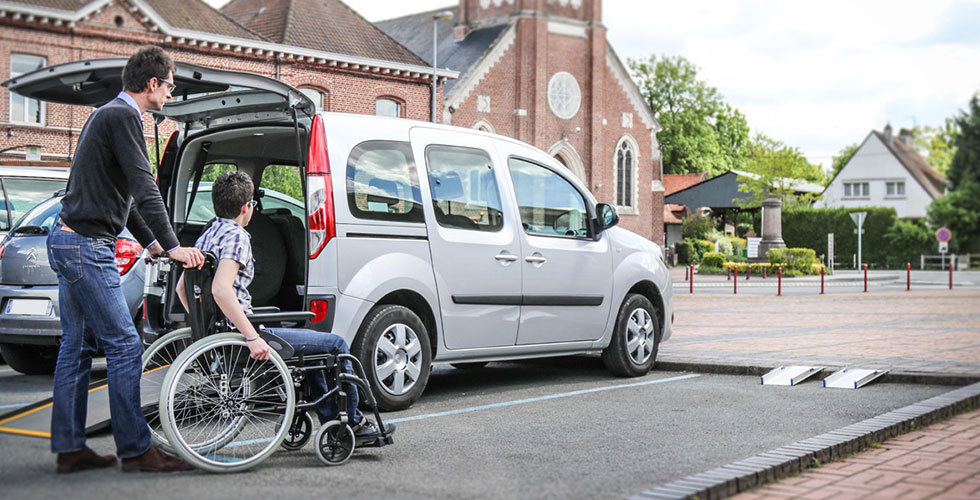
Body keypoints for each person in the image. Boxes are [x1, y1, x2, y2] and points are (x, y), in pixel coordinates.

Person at [48, 46, 204, 474]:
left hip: (67, 241)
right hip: (86, 247)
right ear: (152, 84)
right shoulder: (124, 117)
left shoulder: (106, 115)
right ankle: (137, 451)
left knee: (75, 348)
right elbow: (144, 184)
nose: (171, 94)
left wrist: (150, 242)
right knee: (124, 344)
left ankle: (69, 448)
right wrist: (173, 245)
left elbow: (126, 196)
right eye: (170, 86)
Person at [175, 171, 392, 441]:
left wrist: (204, 325)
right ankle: (352, 425)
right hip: (243, 333)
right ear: (246, 207)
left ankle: (332, 419)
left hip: (224, 332)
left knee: (314, 344)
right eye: (252, 204)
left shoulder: (207, 235)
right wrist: (251, 337)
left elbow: (182, 289)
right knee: (335, 345)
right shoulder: (237, 236)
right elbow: (221, 289)